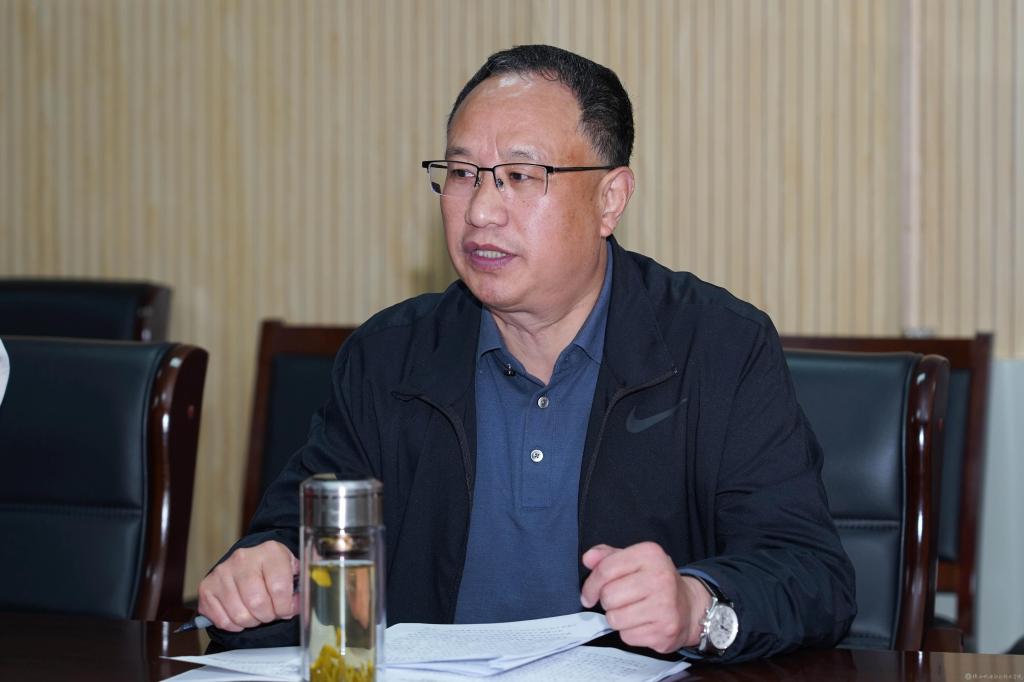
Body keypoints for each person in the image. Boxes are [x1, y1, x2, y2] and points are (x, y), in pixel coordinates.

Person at [199, 44, 856, 663]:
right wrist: (262, 573)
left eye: (519, 175)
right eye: (462, 174)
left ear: (610, 199)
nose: (481, 210)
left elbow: (810, 574)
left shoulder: (717, 346)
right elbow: (298, 550)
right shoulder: (388, 357)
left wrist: (696, 606)